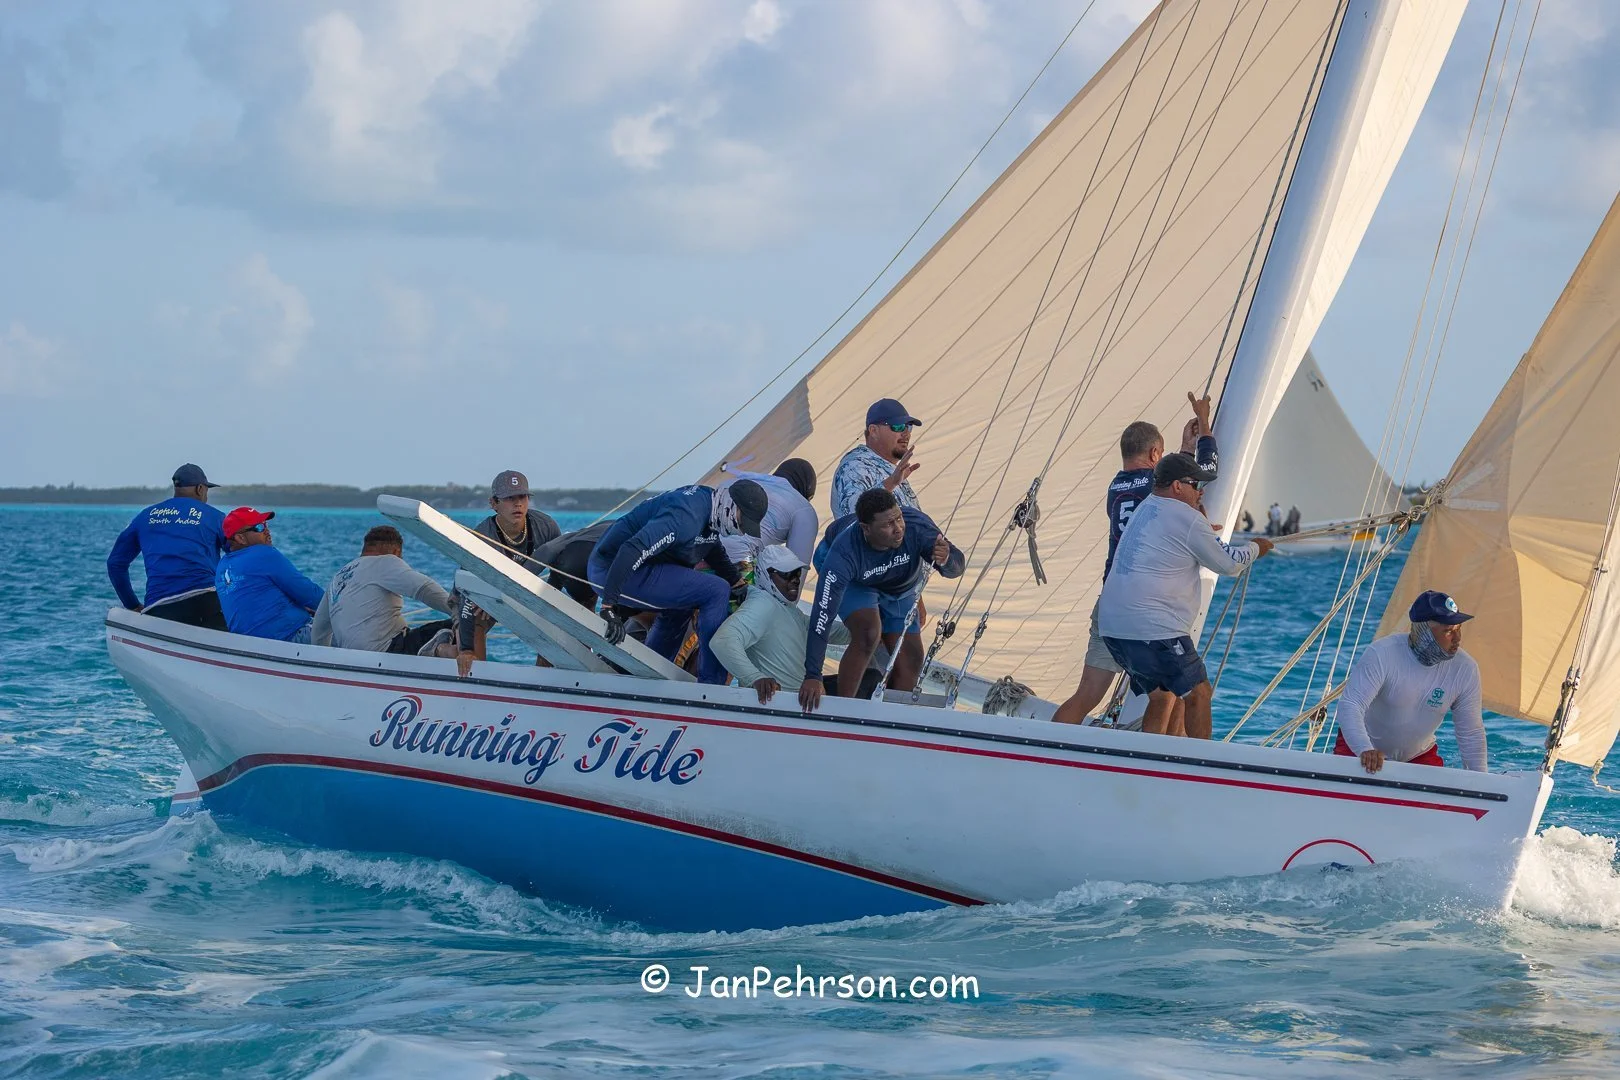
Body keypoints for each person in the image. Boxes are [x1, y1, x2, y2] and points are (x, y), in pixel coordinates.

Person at [1053, 392, 1217, 725]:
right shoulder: (1157, 489)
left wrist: (1184, 451)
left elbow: (1163, 493)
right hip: (1145, 606)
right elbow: (1204, 471)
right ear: (1156, 454)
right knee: (1167, 692)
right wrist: (1206, 428)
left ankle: (1041, 753)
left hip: (1110, 600)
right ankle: (1158, 762)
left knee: (1087, 693)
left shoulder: (1116, 487)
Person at [1097, 453, 1273, 739]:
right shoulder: (1186, 517)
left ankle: (1150, 757)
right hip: (1153, 629)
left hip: (1114, 629)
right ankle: (1200, 767)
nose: (1200, 491)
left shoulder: (1147, 507)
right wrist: (1256, 547)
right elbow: (1229, 564)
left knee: (1163, 694)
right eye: (1195, 484)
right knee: (1200, 693)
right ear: (1177, 486)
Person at [587, 480, 769, 684]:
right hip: (611, 570)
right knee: (716, 590)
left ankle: (650, 671)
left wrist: (737, 582)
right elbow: (633, 548)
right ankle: (712, 684)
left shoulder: (712, 505)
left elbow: (710, 544)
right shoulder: (685, 517)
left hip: (633, 566)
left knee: (685, 602)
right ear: (731, 505)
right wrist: (609, 606)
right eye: (744, 523)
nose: (742, 531)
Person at [799, 488, 964, 711]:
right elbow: (822, 615)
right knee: (869, 632)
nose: (898, 529)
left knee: (912, 657)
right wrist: (813, 674)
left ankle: (893, 716)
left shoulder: (917, 527)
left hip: (899, 586)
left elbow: (957, 567)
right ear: (866, 529)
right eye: (888, 525)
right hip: (857, 581)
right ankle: (843, 710)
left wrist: (946, 560)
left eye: (899, 519)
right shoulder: (842, 553)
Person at [1334, 590, 1486, 774]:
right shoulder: (1382, 654)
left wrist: (1481, 780)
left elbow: (1470, 733)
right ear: (1424, 631)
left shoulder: (1466, 669)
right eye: (1448, 631)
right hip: (1361, 749)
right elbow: (1350, 705)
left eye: (1458, 629)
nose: (1457, 638)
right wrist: (1364, 749)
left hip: (1419, 756)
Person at [454, 470, 564, 672]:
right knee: (465, 649)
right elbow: (465, 594)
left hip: (517, 593)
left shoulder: (546, 526)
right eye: (509, 498)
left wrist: (551, 603)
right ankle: (449, 653)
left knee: (553, 621)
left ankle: (544, 681)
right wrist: (467, 649)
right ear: (494, 504)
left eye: (522, 497)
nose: (518, 504)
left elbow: (560, 571)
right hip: (477, 596)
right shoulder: (481, 538)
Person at [710, 545, 848, 704]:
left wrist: (867, 629)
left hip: (801, 699)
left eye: (797, 573)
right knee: (868, 681)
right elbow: (722, 641)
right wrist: (755, 678)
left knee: (870, 678)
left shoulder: (790, 611)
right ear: (764, 575)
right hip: (786, 703)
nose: (796, 579)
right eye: (787, 574)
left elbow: (824, 629)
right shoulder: (762, 603)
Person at [106, 463, 229, 630]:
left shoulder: (145, 516)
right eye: (207, 490)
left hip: (160, 608)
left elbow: (115, 563)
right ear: (200, 489)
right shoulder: (216, 517)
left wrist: (132, 605)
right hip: (207, 602)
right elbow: (241, 558)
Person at [311, 526, 456, 654]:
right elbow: (424, 588)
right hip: (389, 651)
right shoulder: (386, 561)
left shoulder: (338, 577)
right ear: (395, 551)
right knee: (469, 625)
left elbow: (318, 632)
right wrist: (459, 613)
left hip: (354, 657)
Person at [214, 508, 324, 643]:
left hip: (249, 644)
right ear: (240, 538)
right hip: (289, 637)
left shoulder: (222, 566)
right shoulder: (263, 553)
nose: (267, 531)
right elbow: (311, 594)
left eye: (266, 525)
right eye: (259, 527)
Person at [830, 398, 924, 519]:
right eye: (898, 426)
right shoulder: (855, 465)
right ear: (873, 431)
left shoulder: (891, 470)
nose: (906, 434)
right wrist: (891, 482)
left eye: (908, 427)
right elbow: (853, 513)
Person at [719, 463, 820, 564]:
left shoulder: (736, 481)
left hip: (707, 547)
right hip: (737, 556)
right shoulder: (803, 508)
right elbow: (796, 570)